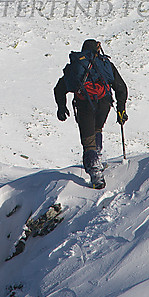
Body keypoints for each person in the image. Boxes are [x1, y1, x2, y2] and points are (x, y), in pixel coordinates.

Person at [54, 39, 128, 188]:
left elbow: (59, 88)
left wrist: (61, 107)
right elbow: (121, 88)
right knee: (97, 130)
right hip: (104, 104)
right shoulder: (105, 64)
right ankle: (97, 158)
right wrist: (121, 110)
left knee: (88, 141)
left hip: (85, 105)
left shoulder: (77, 66)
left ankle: (96, 175)